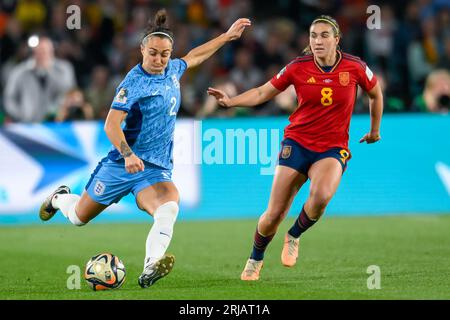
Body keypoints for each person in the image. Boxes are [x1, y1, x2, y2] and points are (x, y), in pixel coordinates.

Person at [39, 10, 251, 288]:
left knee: (169, 206)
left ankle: (151, 266)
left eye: (165, 54)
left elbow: (194, 57)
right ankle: (59, 198)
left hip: (154, 169)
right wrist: (128, 155)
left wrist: (226, 37)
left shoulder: (172, 70)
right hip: (121, 164)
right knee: (78, 217)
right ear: (142, 49)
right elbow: (111, 125)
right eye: (153, 53)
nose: (159, 60)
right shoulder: (133, 83)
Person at [208, 15, 383, 281]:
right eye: (313, 35)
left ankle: (294, 235)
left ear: (337, 40)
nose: (318, 41)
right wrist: (231, 101)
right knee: (273, 214)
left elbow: (376, 93)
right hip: (297, 143)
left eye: (324, 35)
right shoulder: (297, 67)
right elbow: (261, 92)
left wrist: (374, 130)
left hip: (332, 147)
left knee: (321, 196)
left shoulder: (355, 66)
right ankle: (255, 257)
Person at [3, 36, 76, 123]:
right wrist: (20, 116)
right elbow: (8, 99)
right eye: (40, 51)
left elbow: (71, 93)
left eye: (46, 51)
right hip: (27, 124)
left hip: (57, 124)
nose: (43, 55)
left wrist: (50, 71)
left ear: (52, 51)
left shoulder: (64, 69)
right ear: (33, 52)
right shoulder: (19, 72)